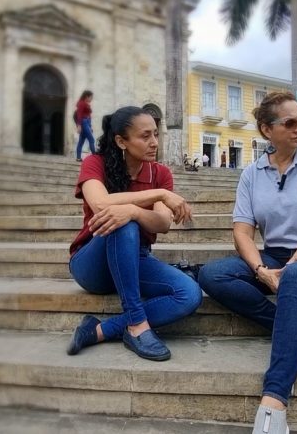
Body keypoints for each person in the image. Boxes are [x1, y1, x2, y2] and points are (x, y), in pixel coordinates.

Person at [198, 91, 297, 434]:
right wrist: (260, 270)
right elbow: (242, 233)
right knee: (213, 274)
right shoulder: (252, 174)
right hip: (274, 256)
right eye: (290, 123)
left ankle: (274, 401)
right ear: (265, 129)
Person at [67, 106, 202, 361]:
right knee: (122, 220)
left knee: (189, 294)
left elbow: (162, 223)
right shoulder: (95, 163)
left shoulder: (160, 172)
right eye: (145, 136)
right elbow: (101, 204)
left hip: (134, 259)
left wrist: (135, 211)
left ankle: (99, 330)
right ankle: (137, 324)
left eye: (156, 135)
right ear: (121, 141)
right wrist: (159, 195)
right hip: (91, 264)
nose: (154, 143)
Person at [75, 90, 96, 162]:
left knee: (81, 141)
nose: (91, 99)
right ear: (87, 96)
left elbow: (88, 115)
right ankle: (95, 157)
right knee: (91, 139)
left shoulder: (85, 104)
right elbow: (79, 114)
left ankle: (78, 157)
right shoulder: (81, 103)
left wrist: (90, 126)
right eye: (91, 97)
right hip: (84, 122)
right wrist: (79, 125)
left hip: (87, 123)